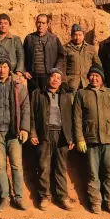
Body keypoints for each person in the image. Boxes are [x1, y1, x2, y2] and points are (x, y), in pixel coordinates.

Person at [73, 66, 110, 214]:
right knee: (92, 173)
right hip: (90, 139)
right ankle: (96, 202)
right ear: (88, 78)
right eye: (92, 76)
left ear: (102, 78)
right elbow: (77, 118)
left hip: (109, 139)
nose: (94, 78)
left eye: (97, 76)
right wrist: (80, 139)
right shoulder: (81, 94)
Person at [0, 56, 30, 212]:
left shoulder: (18, 85)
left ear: (9, 68)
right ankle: (4, 197)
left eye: (4, 66)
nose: (1, 69)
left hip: (13, 132)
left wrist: (24, 128)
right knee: (0, 166)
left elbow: (25, 107)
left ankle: (19, 197)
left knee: (16, 165)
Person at [29, 68, 75, 211]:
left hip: (62, 135)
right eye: (53, 77)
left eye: (58, 78)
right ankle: (45, 196)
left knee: (60, 168)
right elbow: (31, 115)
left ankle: (62, 197)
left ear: (61, 82)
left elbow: (71, 118)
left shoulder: (66, 96)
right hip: (44, 134)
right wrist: (33, 133)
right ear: (48, 78)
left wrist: (71, 137)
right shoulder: (38, 94)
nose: (55, 79)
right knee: (44, 167)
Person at [23, 14, 66, 95]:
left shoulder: (54, 38)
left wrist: (55, 70)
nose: (40, 25)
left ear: (47, 24)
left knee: (47, 100)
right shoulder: (29, 38)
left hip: (48, 77)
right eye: (39, 22)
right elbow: (23, 56)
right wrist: (24, 71)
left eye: (43, 23)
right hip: (32, 77)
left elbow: (61, 56)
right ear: (36, 23)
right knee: (33, 101)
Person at [65, 24, 102, 93]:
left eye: (80, 35)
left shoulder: (91, 49)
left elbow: (98, 65)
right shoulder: (65, 49)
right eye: (75, 35)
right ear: (71, 36)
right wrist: (64, 81)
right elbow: (62, 67)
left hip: (87, 84)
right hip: (71, 85)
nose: (77, 37)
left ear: (83, 35)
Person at [0, 13, 25, 78]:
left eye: (6, 23)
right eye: (0, 23)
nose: (3, 25)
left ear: (9, 25)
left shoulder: (15, 39)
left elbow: (21, 55)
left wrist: (19, 70)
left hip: (13, 72)